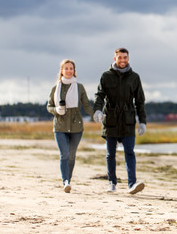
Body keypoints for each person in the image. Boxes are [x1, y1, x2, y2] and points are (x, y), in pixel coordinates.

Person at [93, 47, 147, 194]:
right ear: (115, 58)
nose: (122, 60)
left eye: (125, 57)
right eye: (120, 57)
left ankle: (132, 184)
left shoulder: (134, 77)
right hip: (110, 119)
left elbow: (140, 101)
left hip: (128, 119)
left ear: (128, 58)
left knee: (130, 152)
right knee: (111, 154)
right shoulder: (106, 76)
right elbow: (99, 95)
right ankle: (112, 183)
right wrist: (97, 110)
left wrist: (142, 121)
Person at [47, 59, 94, 193]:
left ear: (74, 71)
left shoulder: (79, 88)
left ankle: (69, 179)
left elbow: (86, 105)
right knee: (64, 154)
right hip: (60, 126)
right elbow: (49, 106)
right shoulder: (55, 88)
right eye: (66, 68)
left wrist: (95, 115)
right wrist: (56, 110)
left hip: (76, 127)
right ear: (61, 71)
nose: (68, 71)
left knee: (72, 155)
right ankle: (65, 182)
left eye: (71, 68)